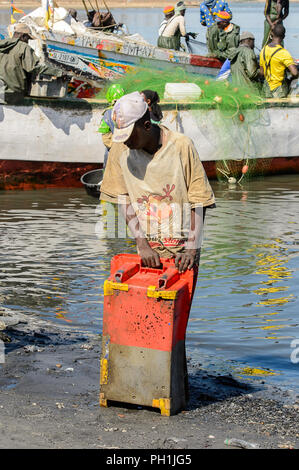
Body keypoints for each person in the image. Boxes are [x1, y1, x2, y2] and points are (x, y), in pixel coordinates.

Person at [100, 91, 215, 271]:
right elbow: (123, 197)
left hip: (183, 252)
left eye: (130, 136)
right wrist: (143, 244)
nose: (126, 142)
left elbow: (199, 201)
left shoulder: (181, 146)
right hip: (147, 251)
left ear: (147, 126)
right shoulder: (119, 149)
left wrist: (191, 250)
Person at [0, 23, 64, 104]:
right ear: (23, 36)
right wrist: (59, 72)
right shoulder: (23, 47)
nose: (28, 41)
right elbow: (34, 67)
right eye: (27, 39)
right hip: (13, 92)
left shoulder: (2, 44)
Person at [260, 23, 298, 98]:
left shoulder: (263, 50)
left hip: (266, 90)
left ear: (272, 34)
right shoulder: (283, 53)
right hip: (279, 90)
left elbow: (261, 73)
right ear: (283, 37)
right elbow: (295, 73)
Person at [97, 83, 125, 168]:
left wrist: (114, 146)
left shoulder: (108, 114)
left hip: (113, 152)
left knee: (111, 174)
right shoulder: (129, 111)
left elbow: (105, 136)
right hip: (127, 149)